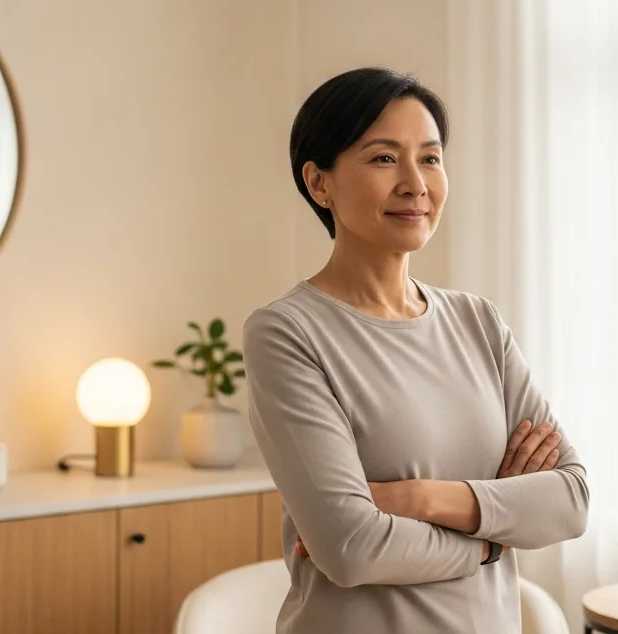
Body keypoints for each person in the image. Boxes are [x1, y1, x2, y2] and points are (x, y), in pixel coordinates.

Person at [242, 66, 589, 634]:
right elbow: (352, 547)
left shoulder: (478, 322)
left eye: (430, 158)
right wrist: (493, 538)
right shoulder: (288, 333)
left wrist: (418, 497)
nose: (415, 183)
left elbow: (570, 501)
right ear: (319, 183)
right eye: (384, 158)